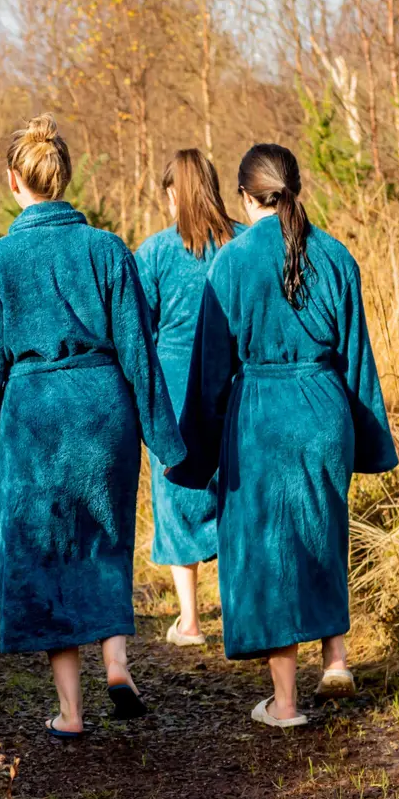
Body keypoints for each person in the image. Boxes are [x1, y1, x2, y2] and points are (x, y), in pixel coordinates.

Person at [0, 115, 185, 738]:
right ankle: (116, 663)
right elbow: (140, 353)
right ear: (64, 177)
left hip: (35, 418)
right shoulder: (108, 250)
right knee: (104, 538)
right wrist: (167, 443)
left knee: (50, 552)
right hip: (104, 410)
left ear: (14, 181)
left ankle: (71, 711)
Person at [167, 143, 398, 728]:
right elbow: (357, 360)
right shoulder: (337, 256)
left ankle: (286, 703)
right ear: (293, 189)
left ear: (246, 198)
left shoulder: (232, 262)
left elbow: (210, 373)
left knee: (269, 550)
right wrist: (368, 441)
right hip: (325, 411)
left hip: (262, 417)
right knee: (324, 532)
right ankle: (336, 659)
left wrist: (191, 455)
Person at [133, 148, 242, 647]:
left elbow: (140, 326)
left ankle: (191, 621)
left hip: (174, 388)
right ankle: (238, 611)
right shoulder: (242, 242)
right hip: (235, 383)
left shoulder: (155, 252)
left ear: (175, 194)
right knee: (234, 494)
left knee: (175, 496)